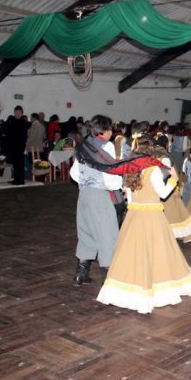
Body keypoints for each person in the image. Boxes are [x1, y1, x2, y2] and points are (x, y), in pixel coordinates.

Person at [97, 134, 191, 314]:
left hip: (134, 216)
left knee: (132, 253)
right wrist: (173, 179)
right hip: (153, 216)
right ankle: (156, 285)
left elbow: (129, 197)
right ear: (151, 151)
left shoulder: (130, 169)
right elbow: (163, 194)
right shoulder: (153, 169)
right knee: (159, 252)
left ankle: (129, 287)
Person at [69, 115, 123, 286]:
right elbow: (110, 174)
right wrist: (119, 184)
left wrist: (87, 182)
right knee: (107, 234)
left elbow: (74, 173)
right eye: (110, 129)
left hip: (84, 195)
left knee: (86, 233)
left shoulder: (83, 145)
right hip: (100, 195)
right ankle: (108, 279)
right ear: (105, 131)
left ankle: (80, 274)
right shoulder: (106, 146)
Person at [7, 106, 28, 185]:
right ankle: (16, 179)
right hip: (13, 146)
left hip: (20, 146)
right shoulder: (13, 122)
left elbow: (22, 136)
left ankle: (20, 180)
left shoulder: (23, 122)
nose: (17, 114)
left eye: (18, 113)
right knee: (15, 163)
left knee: (19, 164)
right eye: (16, 113)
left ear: (22, 113)